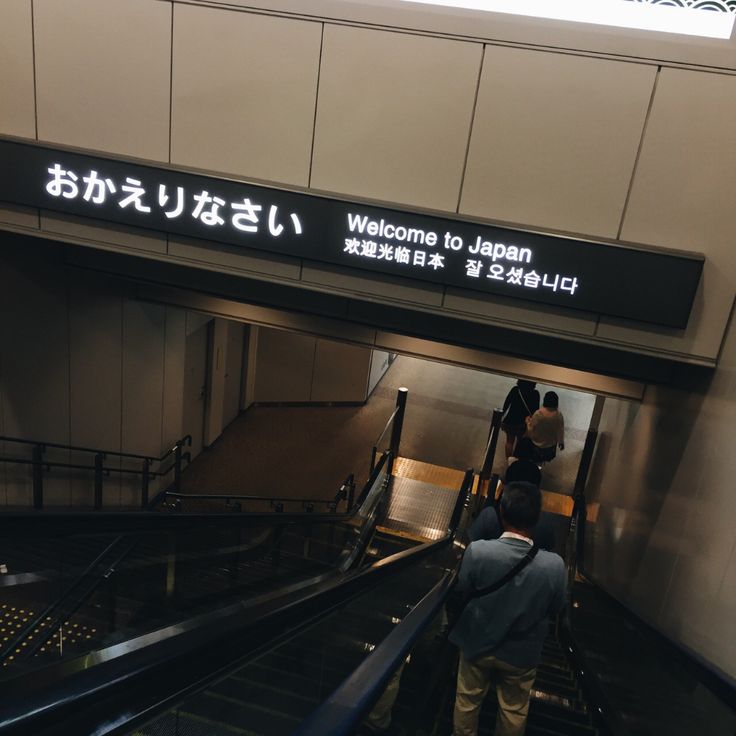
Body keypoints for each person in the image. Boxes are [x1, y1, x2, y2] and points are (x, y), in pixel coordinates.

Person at [450, 482, 566, 736]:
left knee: (467, 701)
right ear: (537, 519)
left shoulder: (478, 552)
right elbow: (556, 608)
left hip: (477, 642)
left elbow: (463, 589)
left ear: (501, 513)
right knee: (514, 710)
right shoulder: (555, 567)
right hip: (522, 652)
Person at [500, 380, 540, 458]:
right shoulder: (535, 394)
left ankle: (509, 461)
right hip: (523, 423)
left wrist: (501, 416)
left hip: (510, 420)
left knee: (509, 442)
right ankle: (517, 461)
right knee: (520, 443)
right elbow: (535, 410)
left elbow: (507, 403)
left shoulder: (515, 390)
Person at [525, 391, 564, 463]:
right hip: (550, 447)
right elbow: (560, 430)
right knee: (542, 459)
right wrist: (561, 442)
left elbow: (531, 429)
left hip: (536, 444)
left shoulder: (538, 413)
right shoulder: (558, 415)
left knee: (534, 459)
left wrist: (527, 422)